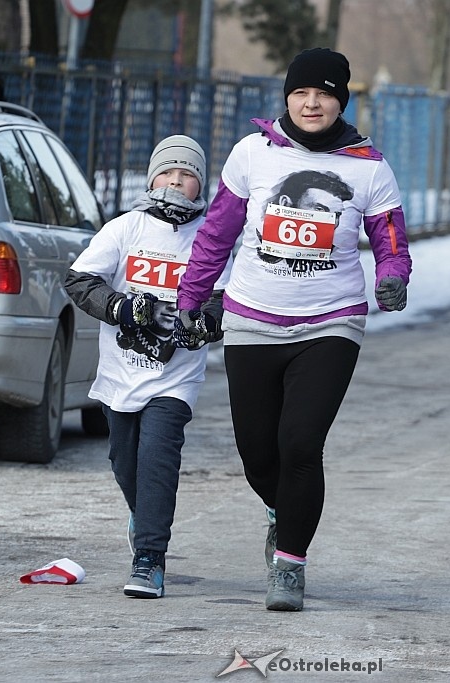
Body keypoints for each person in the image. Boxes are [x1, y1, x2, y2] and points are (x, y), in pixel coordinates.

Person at [173, 47, 412, 611]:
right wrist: (192, 295)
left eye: (325, 94)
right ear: (287, 97)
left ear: (340, 101)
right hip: (252, 316)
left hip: (331, 323)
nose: (312, 103)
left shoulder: (369, 166)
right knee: (258, 452)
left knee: (300, 443)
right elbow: (217, 233)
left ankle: (290, 565)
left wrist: (393, 276)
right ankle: (283, 512)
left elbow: (391, 238)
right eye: (302, 93)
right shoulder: (251, 156)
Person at [64, 135, 227, 599]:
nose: (177, 182)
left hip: (176, 375)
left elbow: (223, 297)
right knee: (125, 460)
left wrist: (204, 324)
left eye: (188, 174)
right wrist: (122, 307)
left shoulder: (210, 237)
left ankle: (149, 560)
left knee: (158, 458)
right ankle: (144, 515)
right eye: (168, 173)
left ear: (202, 184)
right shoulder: (125, 228)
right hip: (121, 373)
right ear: (153, 176)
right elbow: (80, 281)